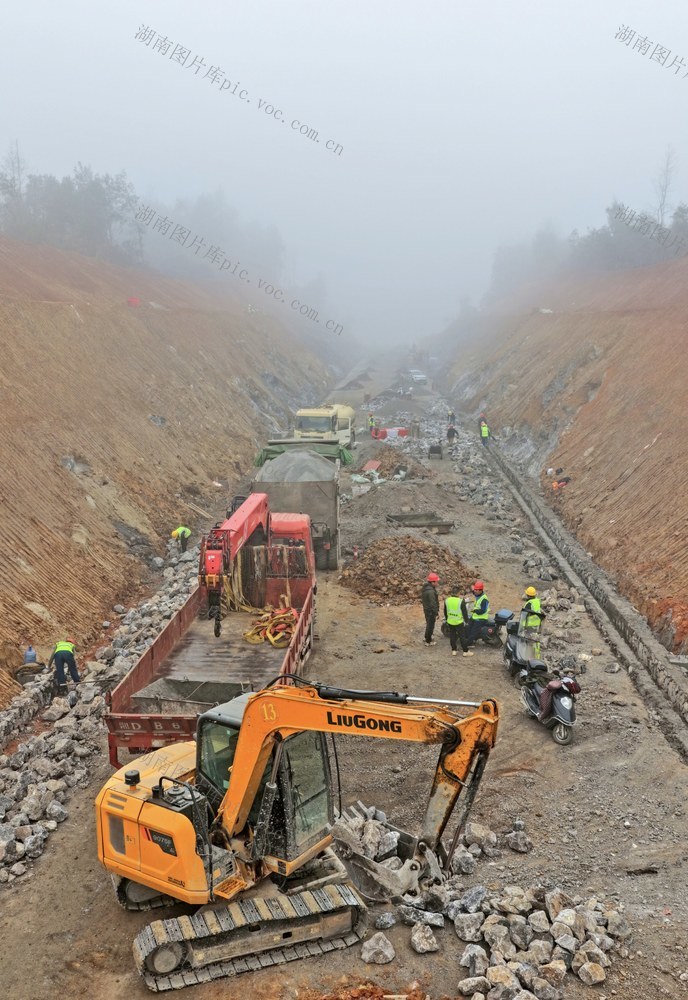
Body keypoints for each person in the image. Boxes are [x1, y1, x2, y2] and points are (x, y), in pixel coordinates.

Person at [443, 585, 473, 657]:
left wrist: (447, 619)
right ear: (458, 593)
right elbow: (464, 613)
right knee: (462, 636)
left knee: (452, 636)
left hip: (450, 621)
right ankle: (465, 651)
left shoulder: (447, 600)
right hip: (459, 622)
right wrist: (466, 621)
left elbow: (445, 611)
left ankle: (454, 650)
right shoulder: (460, 601)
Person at [467, 580, 489, 644]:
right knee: (468, 627)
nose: (475, 591)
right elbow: (474, 592)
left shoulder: (484, 599)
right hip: (475, 617)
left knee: (473, 631)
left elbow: (483, 610)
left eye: (476, 590)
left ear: (481, 590)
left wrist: (475, 611)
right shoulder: (478, 595)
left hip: (481, 618)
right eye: (475, 590)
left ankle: (468, 644)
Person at [421, 573, 440, 645]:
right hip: (431, 611)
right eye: (436, 581)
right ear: (432, 582)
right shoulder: (431, 591)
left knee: (429, 624)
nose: (437, 583)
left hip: (427, 610)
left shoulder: (426, 588)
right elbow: (433, 603)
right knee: (430, 626)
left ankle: (426, 637)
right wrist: (436, 612)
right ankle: (428, 641)